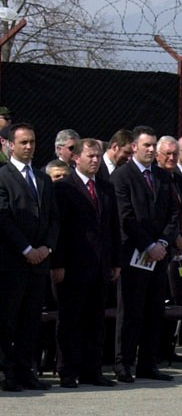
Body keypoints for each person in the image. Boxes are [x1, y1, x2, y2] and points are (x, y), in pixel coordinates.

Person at [110, 126, 182, 382]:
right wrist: (147, 245)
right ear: (134, 147)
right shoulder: (122, 176)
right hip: (134, 254)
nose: (151, 150)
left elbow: (174, 215)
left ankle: (148, 363)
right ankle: (124, 363)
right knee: (130, 311)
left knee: (154, 310)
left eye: (154, 145)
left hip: (159, 255)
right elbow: (126, 217)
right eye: (147, 146)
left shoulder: (163, 178)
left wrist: (162, 242)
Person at [51, 138, 121, 387]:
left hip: (100, 265)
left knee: (95, 320)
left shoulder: (105, 187)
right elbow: (58, 229)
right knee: (71, 320)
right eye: (90, 156)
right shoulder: (64, 188)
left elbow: (113, 226)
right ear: (75, 158)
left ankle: (92, 370)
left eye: (97, 156)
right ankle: (68, 370)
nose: (94, 160)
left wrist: (115, 261)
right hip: (73, 266)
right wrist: (57, 263)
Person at [0, 123, 60, 391]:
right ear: (10, 145)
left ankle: (27, 371)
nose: (29, 147)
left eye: (32, 142)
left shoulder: (42, 179)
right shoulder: (3, 177)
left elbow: (53, 219)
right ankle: (9, 373)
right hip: (13, 263)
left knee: (31, 320)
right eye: (23, 142)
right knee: (8, 320)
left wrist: (46, 248)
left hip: (39, 264)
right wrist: (26, 249)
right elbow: (4, 219)